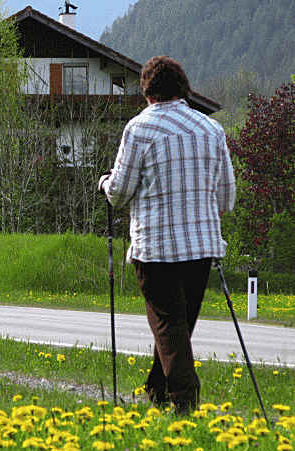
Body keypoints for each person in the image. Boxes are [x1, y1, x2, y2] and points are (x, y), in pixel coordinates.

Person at [98, 55, 236, 414]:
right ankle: (156, 391)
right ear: (183, 89)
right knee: (178, 325)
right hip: (201, 246)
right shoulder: (210, 130)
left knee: (169, 325)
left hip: (156, 247)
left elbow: (120, 192)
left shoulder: (140, 128)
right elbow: (227, 197)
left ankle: (185, 404)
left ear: (148, 93)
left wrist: (105, 184)